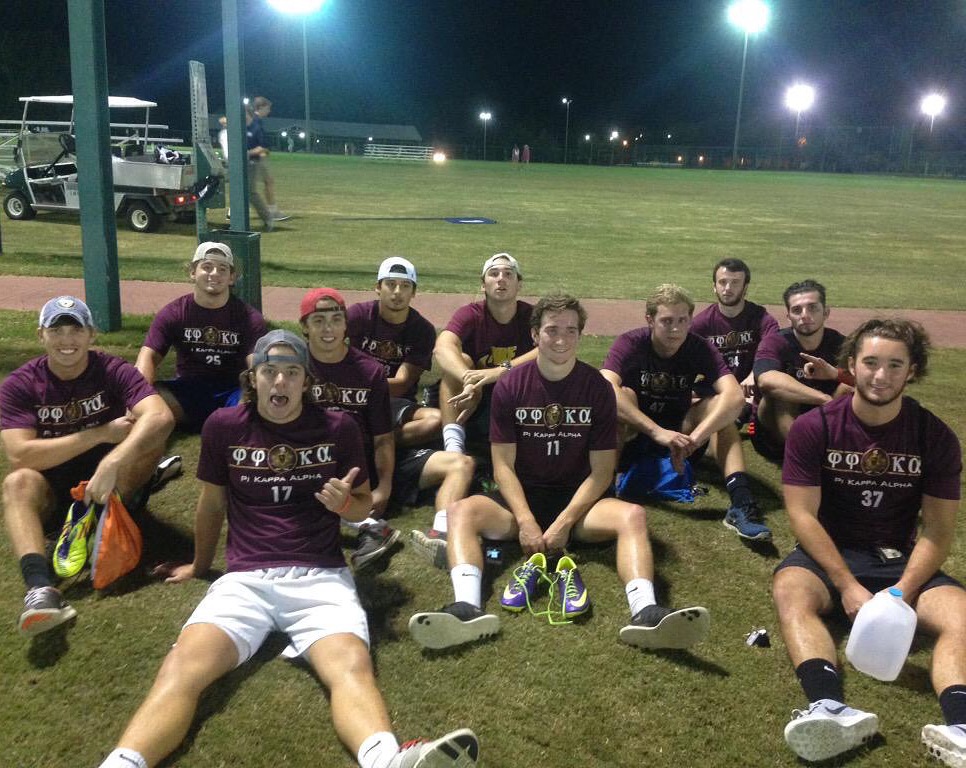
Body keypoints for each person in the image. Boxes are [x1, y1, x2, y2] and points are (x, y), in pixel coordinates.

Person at [96, 330, 480, 768]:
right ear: (253, 378)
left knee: (351, 668)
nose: (280, 382)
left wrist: (346, 506)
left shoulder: (339, 428)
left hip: (321, 578)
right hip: (245, 580)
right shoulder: (224, 427)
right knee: (183, 668)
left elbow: (362, 507)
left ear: (305, 381)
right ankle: (122, 763)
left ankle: (387, 761)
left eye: (292, 373)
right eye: (270, 372)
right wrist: (199, 565)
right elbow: (211, 504)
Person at [409, 294, 709, 651]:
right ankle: (467, 608)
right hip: (521, 498)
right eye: (552, 330)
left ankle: (646, 612)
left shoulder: (597, 388)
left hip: (579, 504)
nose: (562, 338)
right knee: (460, 511)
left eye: (571, 330)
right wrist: (525, 521)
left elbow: (601, 472)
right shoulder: (510, 385)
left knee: (633, 516)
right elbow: (502, 464)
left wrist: (565, 522)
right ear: (535, 335)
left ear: (581, 335)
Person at [772, 318, 965, 765]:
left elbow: (937, 531)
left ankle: (960, 726)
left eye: (895, 365)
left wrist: (900, 593)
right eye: (871, 363)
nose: (881, 376)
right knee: (789, 589)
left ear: (912, 370)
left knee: (960, 611)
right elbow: (801, 513)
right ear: (851, 367)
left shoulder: (933, 436)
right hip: (829, 553)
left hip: (899, 560)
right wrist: (845, 584)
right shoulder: (814, 427)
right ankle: (829, 707)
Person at [1, 296, 174, 637]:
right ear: (41, 335)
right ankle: (40, 589)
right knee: (17, 483)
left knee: (149, 437)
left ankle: (103, 509)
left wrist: (114, 459)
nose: (67, 340)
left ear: (91, 334)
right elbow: (20, 455)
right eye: (57, 330)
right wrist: (99, 435)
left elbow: (160, 416)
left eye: (76, 330)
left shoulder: (112, 370)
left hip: (110, 481)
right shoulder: (20, 384)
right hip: (51, 487)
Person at [601, 284, 771, 541]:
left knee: (722, 413)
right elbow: (604, 387)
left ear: (691, 319)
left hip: (681, 436)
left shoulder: (698, 347)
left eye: (683, 320)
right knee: (622, 397)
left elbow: (735, 396)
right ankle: (606, 495)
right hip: (635, 435)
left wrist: (696, 439)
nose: (676, 329)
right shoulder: (631, 342)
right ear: (650, 319)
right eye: (667, 321)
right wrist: (656, 432)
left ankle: (741, 503)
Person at [302, 287, 399, 568]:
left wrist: (385, 486)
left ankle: (368, 524)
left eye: (335, 319)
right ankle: (371, 526)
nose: (328, 328)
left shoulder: (369, 371)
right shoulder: (293, 365)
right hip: (305, 453)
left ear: (346, 324)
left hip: (352, 462)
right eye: (318, 320)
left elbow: (382, 436)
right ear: (305, 327)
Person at [135, 242, 268, 432]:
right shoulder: (174, 313)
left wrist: (254, 395)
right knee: (149, 399)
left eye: (222, 269)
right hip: (187, 392)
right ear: (192, 272)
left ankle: (233, 424)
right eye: (207, 267)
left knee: (257, 401)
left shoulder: (249, 318)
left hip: (232, 392)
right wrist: (137, 398)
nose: (214, 273)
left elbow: (257, 365)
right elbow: (147, 357)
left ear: (232, 278)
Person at [435, 253, 537, 457]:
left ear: (519, 285)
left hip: (517, 391)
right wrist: (469, 378)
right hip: (473, 394)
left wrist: (498, 372)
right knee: (461, 361)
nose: (501, 278)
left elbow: (546, 349)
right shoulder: (470, 314)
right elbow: (442, 346)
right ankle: (453, 447)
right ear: (483, 285)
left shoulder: (532, 315)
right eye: (494, 274)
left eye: (509, 274)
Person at [346, 257, 441, 447]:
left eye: (405, 285)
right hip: (351, 397)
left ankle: (373, 444)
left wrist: (354, 383)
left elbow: (401, 384)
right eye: (391, 284)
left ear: (413, 292)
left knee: (436, 420)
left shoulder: (422, 330)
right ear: (378, 287)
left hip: (393, 401)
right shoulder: (357, 315)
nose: (398, 292)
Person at [752, 279, 849, 460]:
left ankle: (839, 447)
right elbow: (766, 380)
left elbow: (867, 381)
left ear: (826, 312)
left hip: (825, 417)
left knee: (850, 387)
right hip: (773, 428)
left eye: (812, 308)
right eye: (797, 310)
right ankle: (804, 457)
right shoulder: (775, 342)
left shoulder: (841, 344)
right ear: (788, 316)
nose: (805, 315)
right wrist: (825, 399)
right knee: (781, 392)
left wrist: (835, 376)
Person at [690, 258, 779, 423]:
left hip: (750, 388)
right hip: (716, 387)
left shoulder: (763, 320)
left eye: (735, 283)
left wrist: (754, 376)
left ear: (745, 287)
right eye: (722, 282)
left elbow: (772, 355)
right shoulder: (700, 324)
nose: (728, 288)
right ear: (714, 286)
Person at [252, 96, 289, 222]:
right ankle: (273, 211)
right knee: (268, 182)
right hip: (256, 157)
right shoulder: (255, 120)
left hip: (256, 156)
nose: (269, 111)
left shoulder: (255, 120)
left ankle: (232, 211)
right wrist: (262, 152)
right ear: (260, 107)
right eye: (268, 108)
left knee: (250, 185)